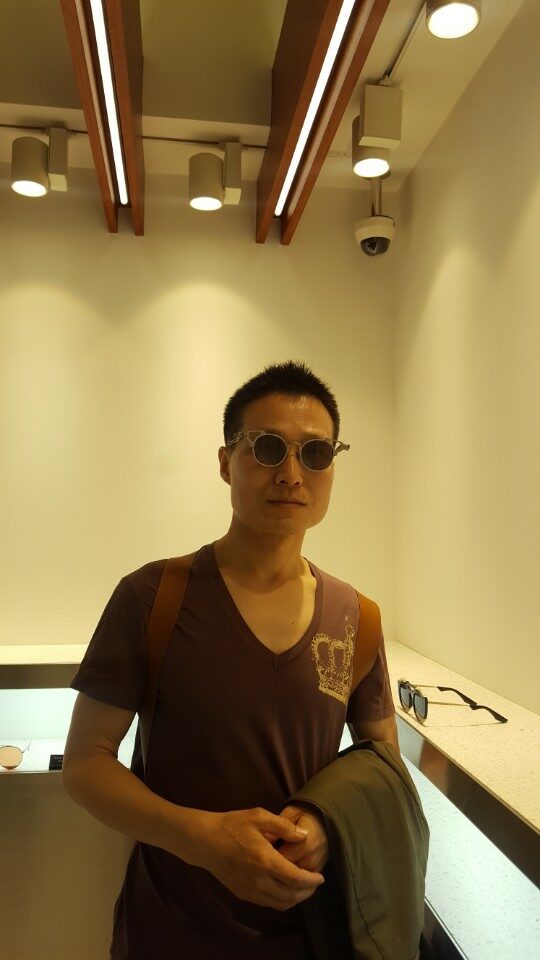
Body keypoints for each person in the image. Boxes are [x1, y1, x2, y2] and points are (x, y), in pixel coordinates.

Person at [63, 360, 398, 960]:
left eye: (315, 453)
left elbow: (382, 762)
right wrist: (202, 839)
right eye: (267, 447)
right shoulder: (150, 598)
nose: (291, 474)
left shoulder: (358, 618)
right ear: (226, 462)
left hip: (311, 937)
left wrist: (325, 823)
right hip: (169, 934)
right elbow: (86, 764)